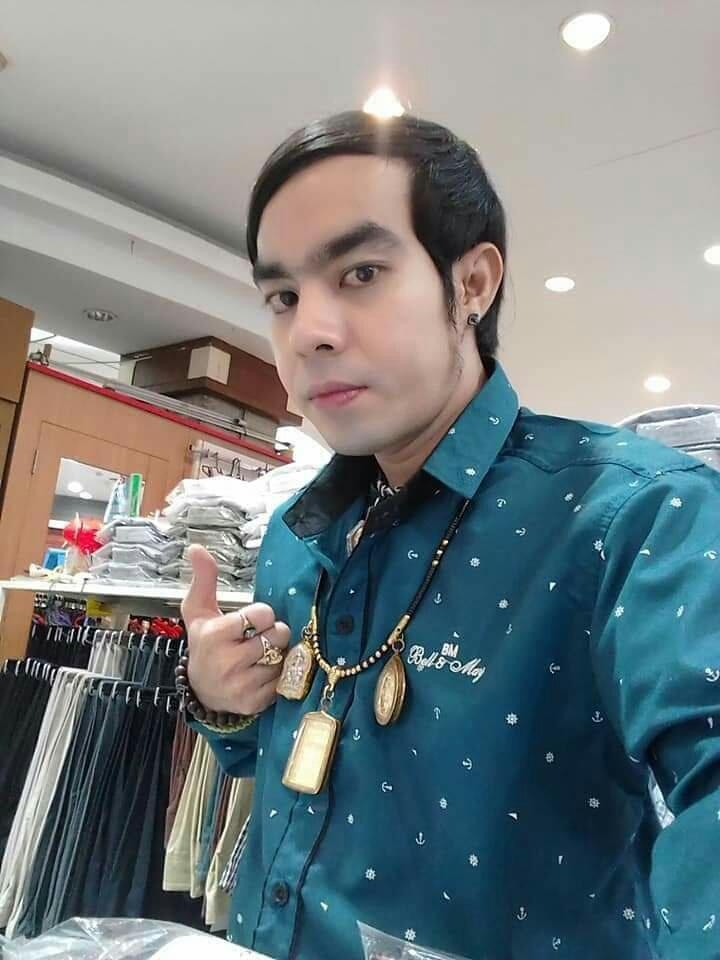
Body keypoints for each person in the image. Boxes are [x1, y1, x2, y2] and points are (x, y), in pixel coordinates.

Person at [180, 111, 720, 960]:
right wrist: (221, 700)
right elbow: (293, 771)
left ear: (472, 284)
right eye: (283, 297)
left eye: (360, 273)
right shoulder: (296, 535)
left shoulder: (635, 516)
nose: (309, 331)